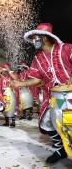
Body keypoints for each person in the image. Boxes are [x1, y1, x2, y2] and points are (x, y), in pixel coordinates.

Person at [11, 23, 70, 163]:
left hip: (71, 94)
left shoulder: (66, 48)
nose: (33, 41)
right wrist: (20, 83)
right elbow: (37, 79)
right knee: (47, 121)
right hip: (52, 97)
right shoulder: (37, 58)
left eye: (35, 38)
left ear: (44, 38)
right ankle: (59, 149)